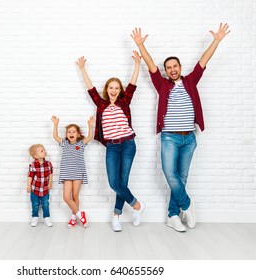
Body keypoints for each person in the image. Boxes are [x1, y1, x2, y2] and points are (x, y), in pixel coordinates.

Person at [131, 23, 230, 232]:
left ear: (180, 68)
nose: (172, 69)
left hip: (189, 139)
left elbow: (204, 61)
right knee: (170, 173)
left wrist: (216, 40)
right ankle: (187, 204)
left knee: (182, 177)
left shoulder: (191, 81)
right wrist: (141, 46)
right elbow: (150, 65)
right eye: (169, 68)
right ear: (166, 71)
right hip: (169, 137)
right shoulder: (162, 84)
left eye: (175, 66)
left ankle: (172, 215)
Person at [76, 51, 145, 232]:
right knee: (115, 183)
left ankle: (116, 216)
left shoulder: (125, 102)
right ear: (106, 90)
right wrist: (83, 69)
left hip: (129, 144)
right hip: (112, 147)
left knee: (122, 181)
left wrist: (137, 64)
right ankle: (137, 205)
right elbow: (90, 88)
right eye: (110, 88)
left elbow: (133, 84)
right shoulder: (101, 104)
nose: (113, 90)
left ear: (120, 91)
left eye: (116, 88)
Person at [51, 115, 94, 228]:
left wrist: (90, 126)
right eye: (69, 132)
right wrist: (55, 125)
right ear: (66, 135)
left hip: (77, 173)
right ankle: (81, 214)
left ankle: (73, 218)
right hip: (67, 173)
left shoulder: (81, 144)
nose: (71, 133)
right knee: (66, 197)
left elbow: (90, 136)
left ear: (78, 134)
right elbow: (55, 136)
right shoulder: (64, 143)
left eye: (74, 131)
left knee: (75, 196)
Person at [27, 144, 53, 227]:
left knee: (45, 204)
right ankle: (34, 217)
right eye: (42, 151)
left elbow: (50, 174)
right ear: (35, 156)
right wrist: (28, 186)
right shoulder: (33, 165)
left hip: (45, 189)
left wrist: (50, 183)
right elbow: (30, 176)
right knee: (35, 204)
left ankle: (47, 218)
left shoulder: (48, 164)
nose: (44, 151)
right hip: (35, 190)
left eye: (44, 149)